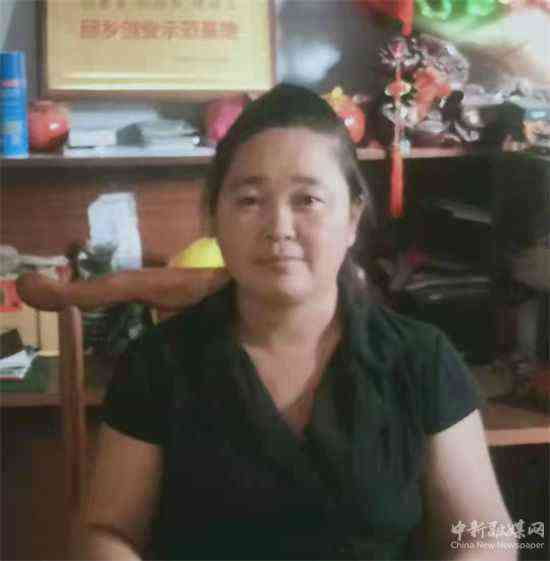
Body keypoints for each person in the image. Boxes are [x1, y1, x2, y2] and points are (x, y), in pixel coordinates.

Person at [82, 84, 516, 561]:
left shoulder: (420, 361)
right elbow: (106, 531)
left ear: (352, 219)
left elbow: (488, 536)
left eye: (307, 199)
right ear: (215, 218)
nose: (279, 229)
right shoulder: (158, 365)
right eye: (250, 201)